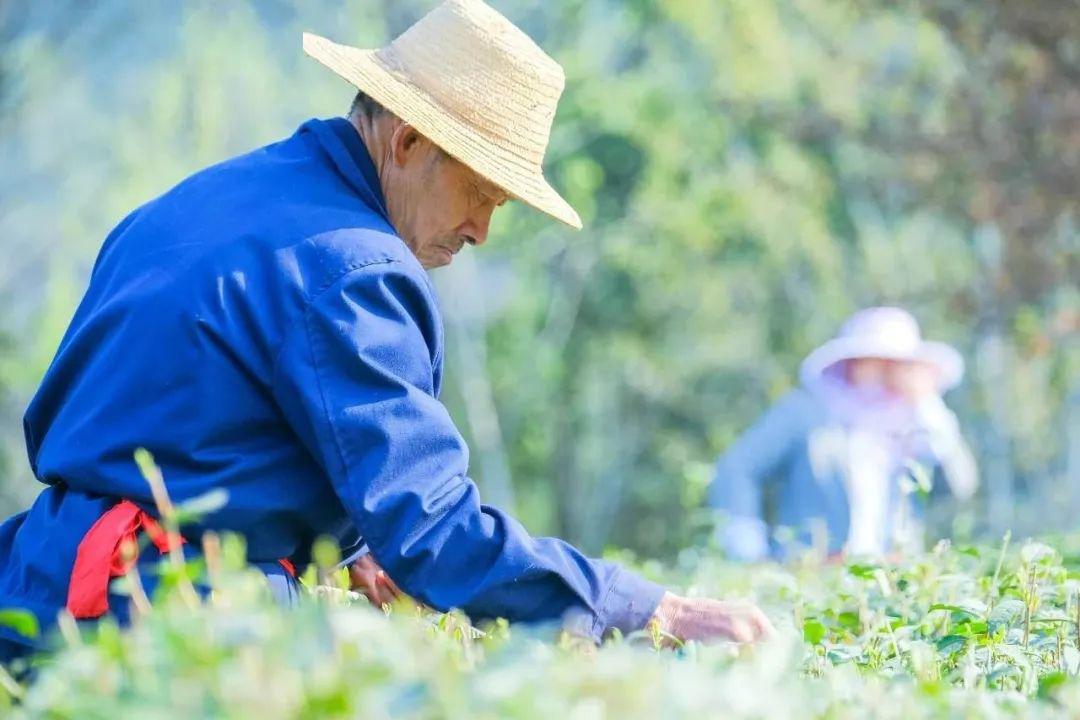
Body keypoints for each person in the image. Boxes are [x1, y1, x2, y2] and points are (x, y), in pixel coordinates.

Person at [0, 0, 772, 660]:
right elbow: (435, 528)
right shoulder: (353, 268)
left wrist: (357, 548)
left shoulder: (198, 201)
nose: (481, 232)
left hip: (40, 582)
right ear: (407, 142)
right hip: (173, 616)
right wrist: (646, 609)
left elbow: (202, 426)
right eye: (482, 194)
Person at [709, 307, 978, 562]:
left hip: (892, 583)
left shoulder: (920, 425)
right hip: (813, 574)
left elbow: (961, 487)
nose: (884, 371)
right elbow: (736, 467)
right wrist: (750, 550)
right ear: (851, 362)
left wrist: (927, 405)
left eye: (895, 363)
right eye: (875, 360)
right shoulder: (806, 412)